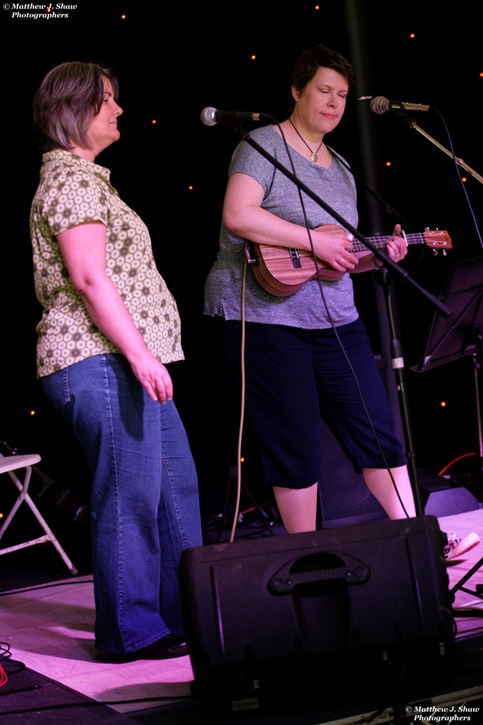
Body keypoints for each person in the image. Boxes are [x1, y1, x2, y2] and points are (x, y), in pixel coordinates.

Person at [203, 44, 480, 559]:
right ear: (296, 91)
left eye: (342, 96)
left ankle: (420, 539)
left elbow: (339, 254)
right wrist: (314, 240)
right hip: (266, 317)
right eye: (324, 91)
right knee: (294, 442)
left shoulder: (342, 167)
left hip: (335, 318)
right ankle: (310, 557)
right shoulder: (261, 145)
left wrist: (383, 255)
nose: (333, 103)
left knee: (376, 427)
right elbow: (239, 216)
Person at [30, 61, 203, 662]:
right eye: (109, 100)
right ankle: (132, 633)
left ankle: (194, 613)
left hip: (128, 361)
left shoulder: (91, 180)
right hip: (99, 359)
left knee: (175, 488)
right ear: (76, 108)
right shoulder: (70, 182)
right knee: (131, 495)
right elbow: (87, 276)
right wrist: (138, 354)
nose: (120, 110)